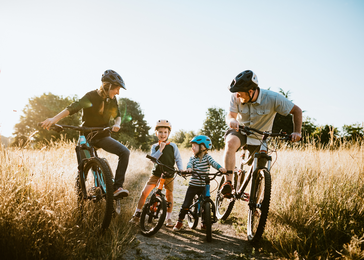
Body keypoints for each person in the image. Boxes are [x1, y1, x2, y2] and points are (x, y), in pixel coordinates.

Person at [41, 69, 130, 198]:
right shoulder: (91, 96)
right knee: (82, 167)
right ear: (108, 86)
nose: (118, 92)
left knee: (125, 152)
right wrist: (54, 119)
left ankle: (116, 188)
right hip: (86, 136)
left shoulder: (112, 100)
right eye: (116, 89)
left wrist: (117, 124)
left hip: (103, 136)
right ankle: (82, 198)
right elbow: (73, 107)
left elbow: (118, 116)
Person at [220, 70, 302, 196]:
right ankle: (228, 183)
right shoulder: (236, 97)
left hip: (261, 137)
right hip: (241, 131)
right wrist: (231, 120)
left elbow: (297, 111)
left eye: (240, 93)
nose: (237, 96)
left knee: (259, 173)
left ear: (251, 91)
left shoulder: (273, 98)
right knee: (230, 143)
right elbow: (231, 115)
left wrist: (297, 132)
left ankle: (254, 206)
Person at [129, 119, 183, 227]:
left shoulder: (173, 146)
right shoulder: (155, 146)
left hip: (169, 174)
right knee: (145, 193)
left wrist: (180, 169)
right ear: (156, 133)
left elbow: (178, 159)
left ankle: (168, 218)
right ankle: (137, 214)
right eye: (160, 132)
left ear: (168, 133)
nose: (163, 134)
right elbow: (153, 159)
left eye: (165, 132)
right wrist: (161, 149)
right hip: (156, 173)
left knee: (169, 195)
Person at [173, 135, 227, 231]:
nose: (192, 148)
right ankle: (179, 221)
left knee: (206, 204)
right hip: (193, 185)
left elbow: (214, 163)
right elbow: (190, 165)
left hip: (204, 185)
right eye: (192, 146)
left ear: (202, 147)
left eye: (194, 146)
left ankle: (204, 223)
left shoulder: (207, 157)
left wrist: (220, 168)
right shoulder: (193, 158)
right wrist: (189, 169)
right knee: (186, 204)